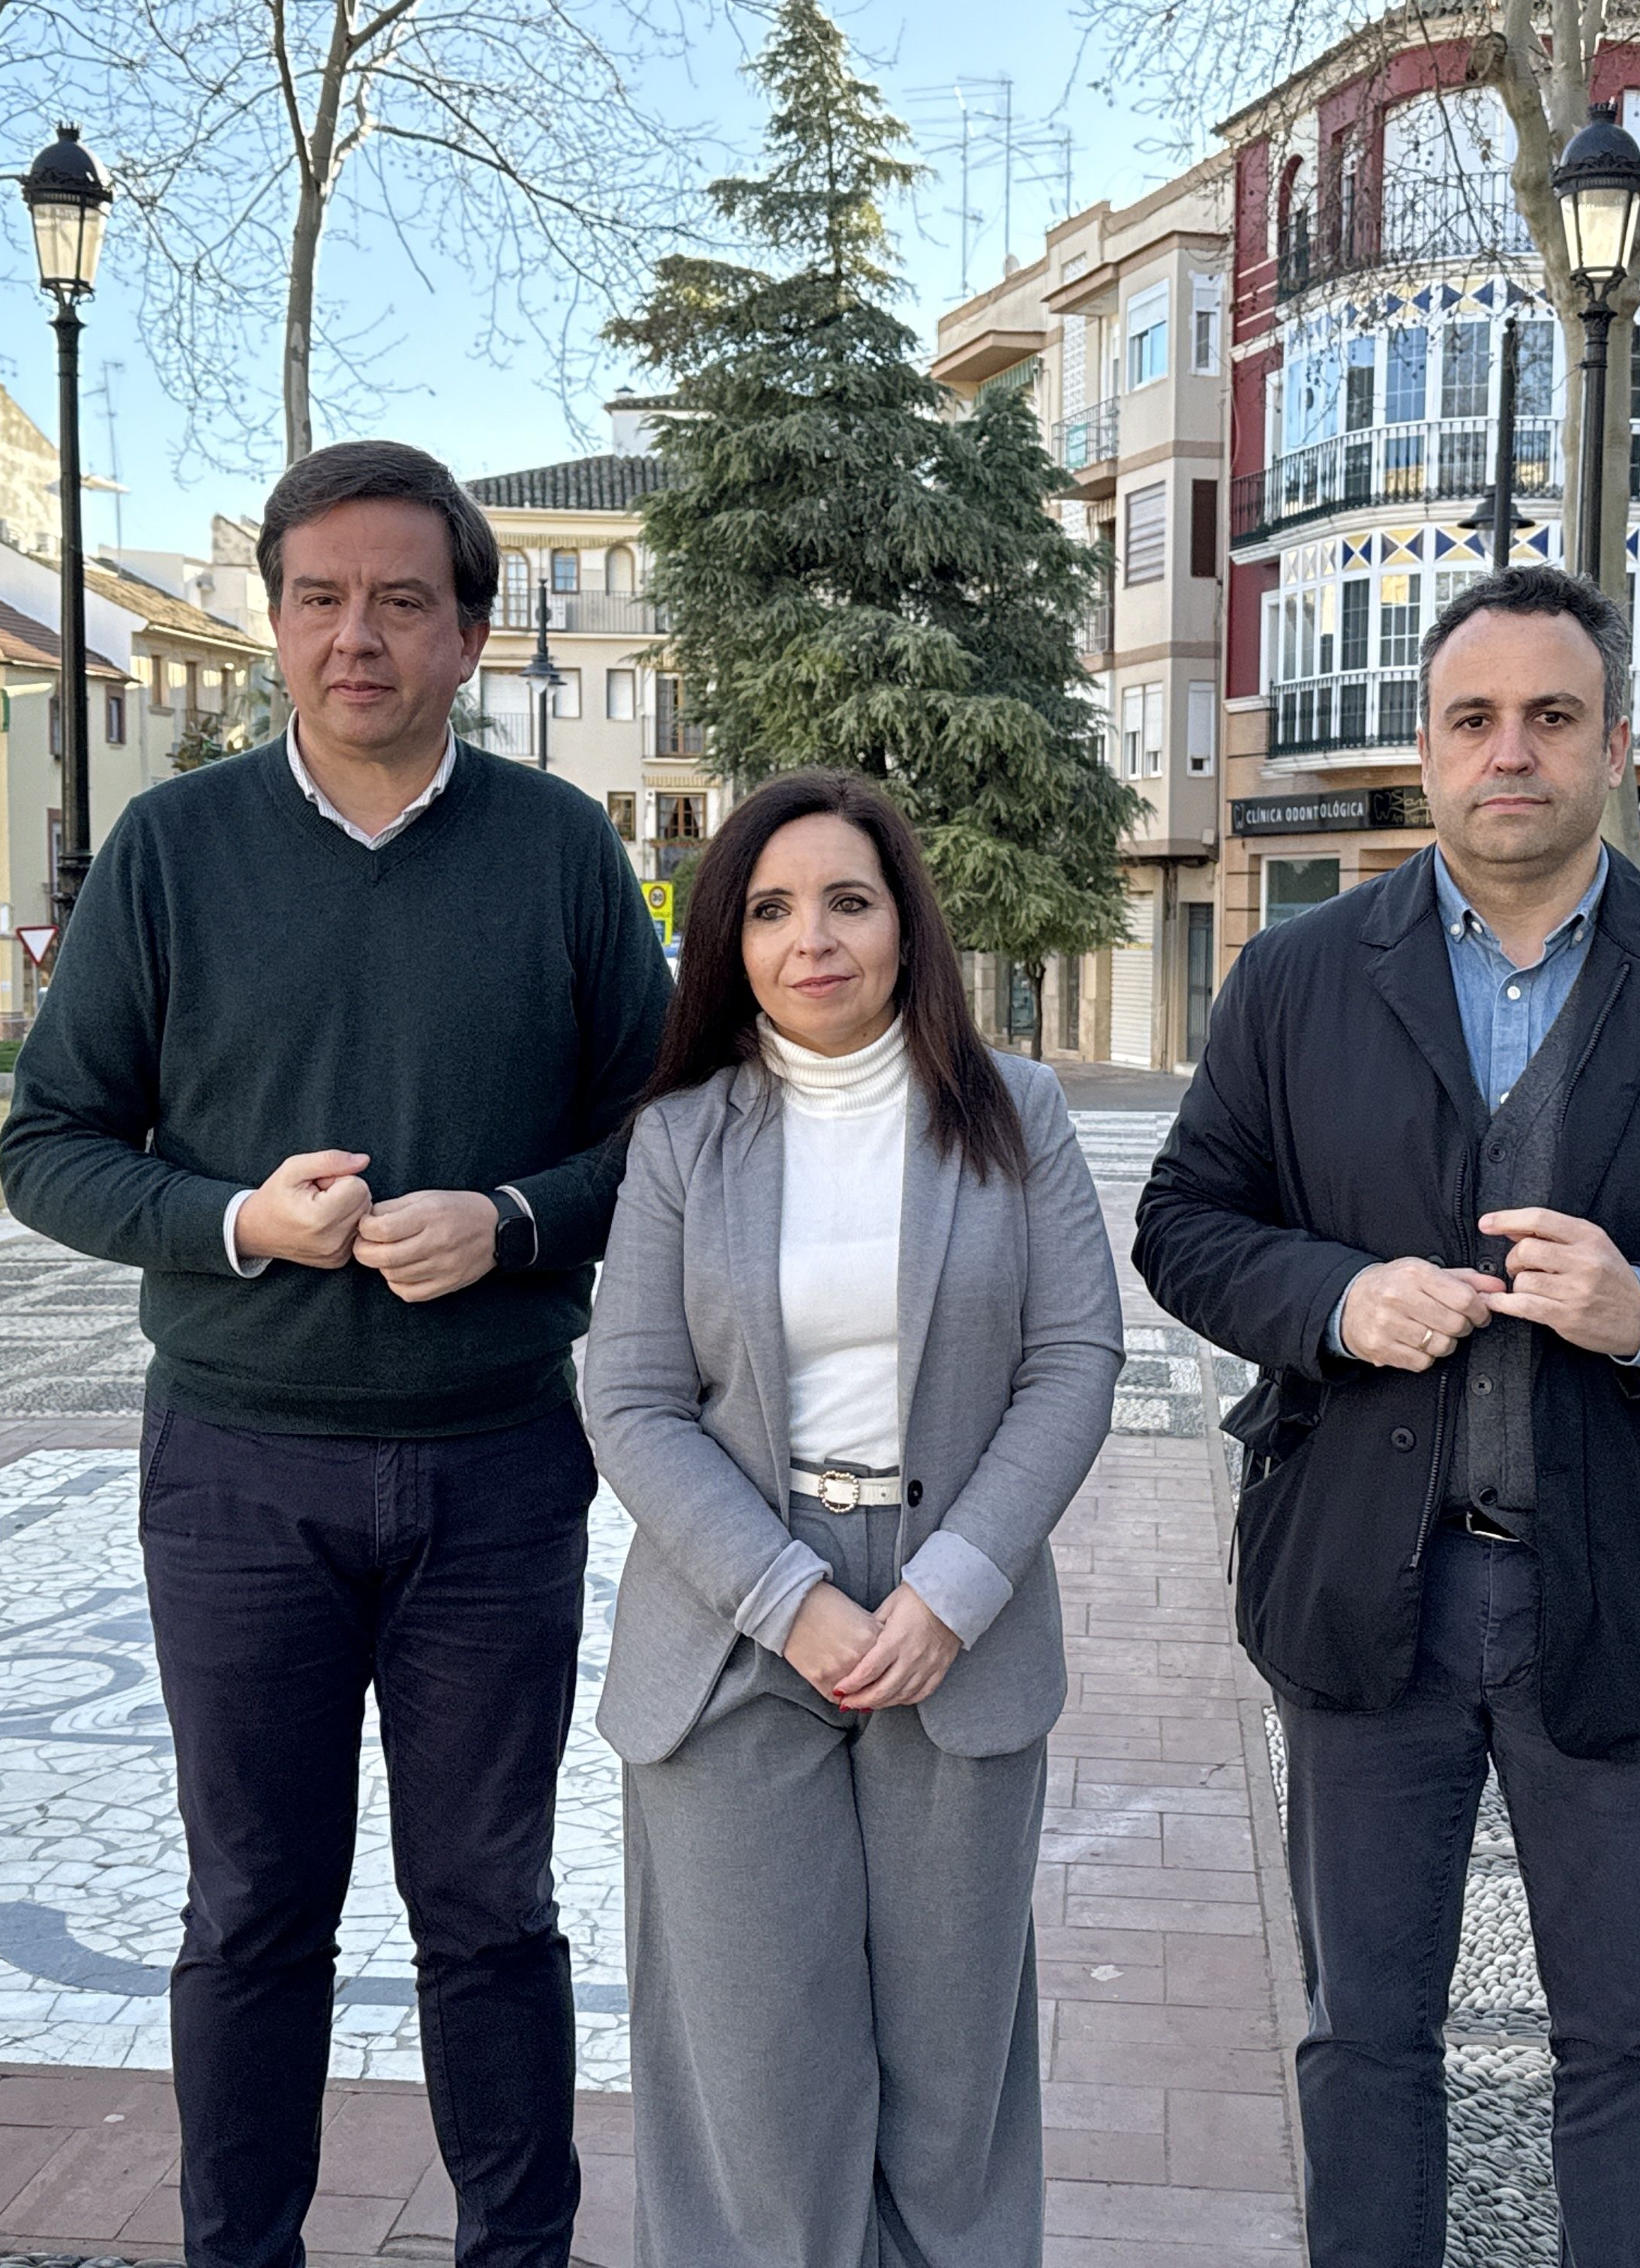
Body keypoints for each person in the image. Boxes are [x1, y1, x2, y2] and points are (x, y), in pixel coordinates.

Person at [1132, 564, 1640, 2268]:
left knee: (1629, 2042)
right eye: (1475, 720)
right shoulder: (1299, 978)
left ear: (1617, 743)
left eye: (1553, 717)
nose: (1513, 754)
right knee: (1363, 2037)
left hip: (1624, 1589)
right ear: (1427, 748)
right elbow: (1184, 1223)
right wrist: (1334, 1299)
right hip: (1363, 1586)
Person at [0, 440, 669, 2268]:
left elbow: (669, 1139)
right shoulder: (173, 851)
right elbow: (47, 1143)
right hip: (235, 1467)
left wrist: (517, 1222)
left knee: (489, 1910)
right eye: (316, 600)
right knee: (255, 1910)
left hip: (498, 1471)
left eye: (397, 603)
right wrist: (235, 1220)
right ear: (274, 622)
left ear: (470, 632)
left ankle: (514, 2253)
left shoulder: (558, 854)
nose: (352, 637)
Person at [582, 767, 1123, 2268]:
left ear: (904, 926)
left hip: (952, 1626)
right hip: (737, 1624)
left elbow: (1077, 1356)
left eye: (847, 900)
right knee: (760, 2081)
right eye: (768, 908)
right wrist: (788, 1597)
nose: (811, 938)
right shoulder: (688, 1138)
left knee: (951, 2086)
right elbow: (629, 1398)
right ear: (728, 942)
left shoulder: (1015, 1114)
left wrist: (955, 1585)